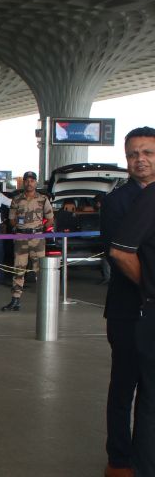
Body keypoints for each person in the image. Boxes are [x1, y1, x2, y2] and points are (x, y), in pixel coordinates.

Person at [102, 126, 155, 477]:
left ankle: (144, 459)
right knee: (124, 387)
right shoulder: (117, 201)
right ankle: (120, 460)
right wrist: (149, 287)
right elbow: (119, 253)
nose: (141, 160)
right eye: (134, 154)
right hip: (127, 310)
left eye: (148, 153)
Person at [3, 170, 54, 311]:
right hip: (21, 238)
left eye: (32, 181)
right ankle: (15, 300)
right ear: (23, 182)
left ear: (36, 182)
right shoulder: (16, 199)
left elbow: (50, 219)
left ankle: (45, 299)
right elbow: (11, 219)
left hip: (37, 238)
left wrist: (41, 229)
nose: (29, 183)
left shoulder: (43, 199)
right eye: (26, 180)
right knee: (18, 269)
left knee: (40, 270)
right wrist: (19, 228)